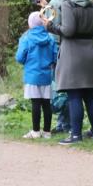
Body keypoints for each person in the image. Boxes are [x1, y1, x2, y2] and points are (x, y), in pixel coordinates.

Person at [44, 0, 93, 144]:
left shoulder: (68, 4)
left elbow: (68, 31)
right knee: (91, 96)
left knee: (74, 96)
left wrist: (50, 27)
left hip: (72, 53)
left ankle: (76, 135)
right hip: (90, 53)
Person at [36, 0, 71, 135]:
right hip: (68, 49)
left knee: (59, 87)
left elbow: (53, 28)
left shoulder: (55, 2)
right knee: (65, 85)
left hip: (57, 49)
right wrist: (45, 5)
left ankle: (64, 123)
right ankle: (65, 123)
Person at [16, 11, 58, 139]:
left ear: (30, 24)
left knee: (35, 103)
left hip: (32, 75)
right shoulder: (50, 38)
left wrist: (26, 62)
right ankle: (47, 132)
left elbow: (19, 57)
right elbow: (55, 56)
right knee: (46, 103)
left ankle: (35, 131)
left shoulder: (26, 38)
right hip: (46, 75)